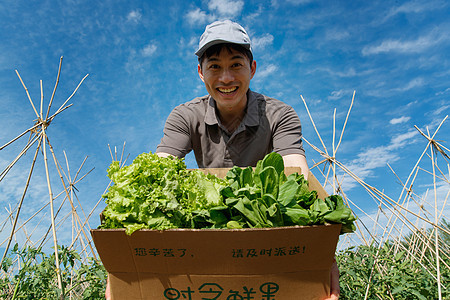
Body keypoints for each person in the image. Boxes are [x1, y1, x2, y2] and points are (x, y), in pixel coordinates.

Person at [105, 20, 339, 300]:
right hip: (210, 236)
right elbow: (159, 170)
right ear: (201, 73)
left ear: (252, 69)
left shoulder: (280, 115)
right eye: (214, 66)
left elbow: (297, 177)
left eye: (236, 65)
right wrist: (122, 267)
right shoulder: (185, 116)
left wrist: (320, 257)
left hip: (268, 233)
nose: (226, 78)